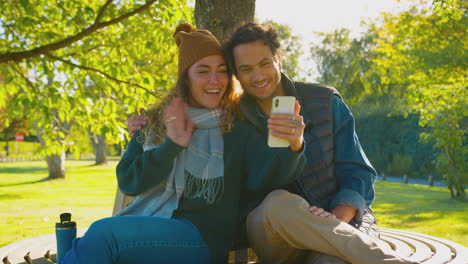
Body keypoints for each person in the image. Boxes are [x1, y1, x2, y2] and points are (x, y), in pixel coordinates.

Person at [127, 23, 416, 264]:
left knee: (330, 261)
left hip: (342, 224)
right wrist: (145, 127)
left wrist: (334, 218)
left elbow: (359, 174)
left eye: (265, 63)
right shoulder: (233, 119)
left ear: (279, 59)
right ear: (237, 75)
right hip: (272, 233)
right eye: (246, 68)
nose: (258, 76)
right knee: (278, 202)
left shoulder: (324, 101)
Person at [61, 22, 306, 264]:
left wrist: (295, 145)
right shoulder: (155, 123)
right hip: (150, 229)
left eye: (222, 70)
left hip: (203, 239)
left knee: (102, 235)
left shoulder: (236, 128)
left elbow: (266, 177)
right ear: (185, 78)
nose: (215, 80)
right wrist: (171, 146)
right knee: (95, 241)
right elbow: (129, 182)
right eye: (203, 71)